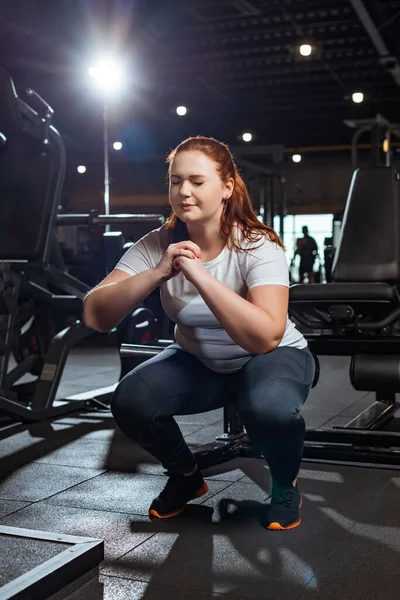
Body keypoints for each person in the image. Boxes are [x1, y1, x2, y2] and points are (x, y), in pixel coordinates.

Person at [83, 136, 315, 531]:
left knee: (268, 409)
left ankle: (284, 483)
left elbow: (266, 337)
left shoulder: (258, 245)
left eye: (196, 181)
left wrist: (198, 274)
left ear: (226, 187)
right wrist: (158, 272)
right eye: (175, 181)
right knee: (131, 400)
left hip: (272, 358)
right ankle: (187, 476)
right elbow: (95, 315)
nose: (183, 191)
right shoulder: (157, 244)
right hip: (201, 361)